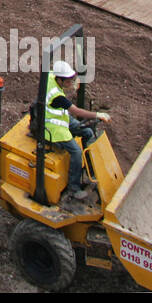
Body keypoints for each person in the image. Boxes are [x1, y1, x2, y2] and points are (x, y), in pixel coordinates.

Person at [44, 60, 111, 203]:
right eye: (68, 80)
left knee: (87, 132)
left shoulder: (50, 76)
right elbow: (75, 111)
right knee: (76, 152)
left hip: (59, 116)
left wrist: (73, 84)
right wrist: (97, 115)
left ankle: (91, 171)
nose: (70, 82)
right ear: (60, 80)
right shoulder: (57, 97)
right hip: (53, 127)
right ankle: (73, 188)